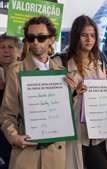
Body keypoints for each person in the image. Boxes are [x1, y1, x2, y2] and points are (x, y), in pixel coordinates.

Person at [0, 16, 66, 169]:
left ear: (51, 39)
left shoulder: (61, 73)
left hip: (55, 155)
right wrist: (14, 136)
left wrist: (76, 93)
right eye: (31, 38)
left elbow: (65, 115)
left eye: (41, 37)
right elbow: (7, 114)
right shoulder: (16, 71)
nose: (35, 42)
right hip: (26, 154)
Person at [63, 15, 107, 169]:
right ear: (76, 37)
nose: (89, 39)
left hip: (100, 133)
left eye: (92, 35)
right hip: (77, 134)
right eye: (84, 35)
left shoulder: (100, 64)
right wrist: (75, 93)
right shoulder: (62, 64)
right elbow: (57, 102)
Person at [0, 33, 22, 169]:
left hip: (18, 135)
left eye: (10, 47)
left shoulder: (26, 73)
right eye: (2, 47)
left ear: (19, 51)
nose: (6, 50)